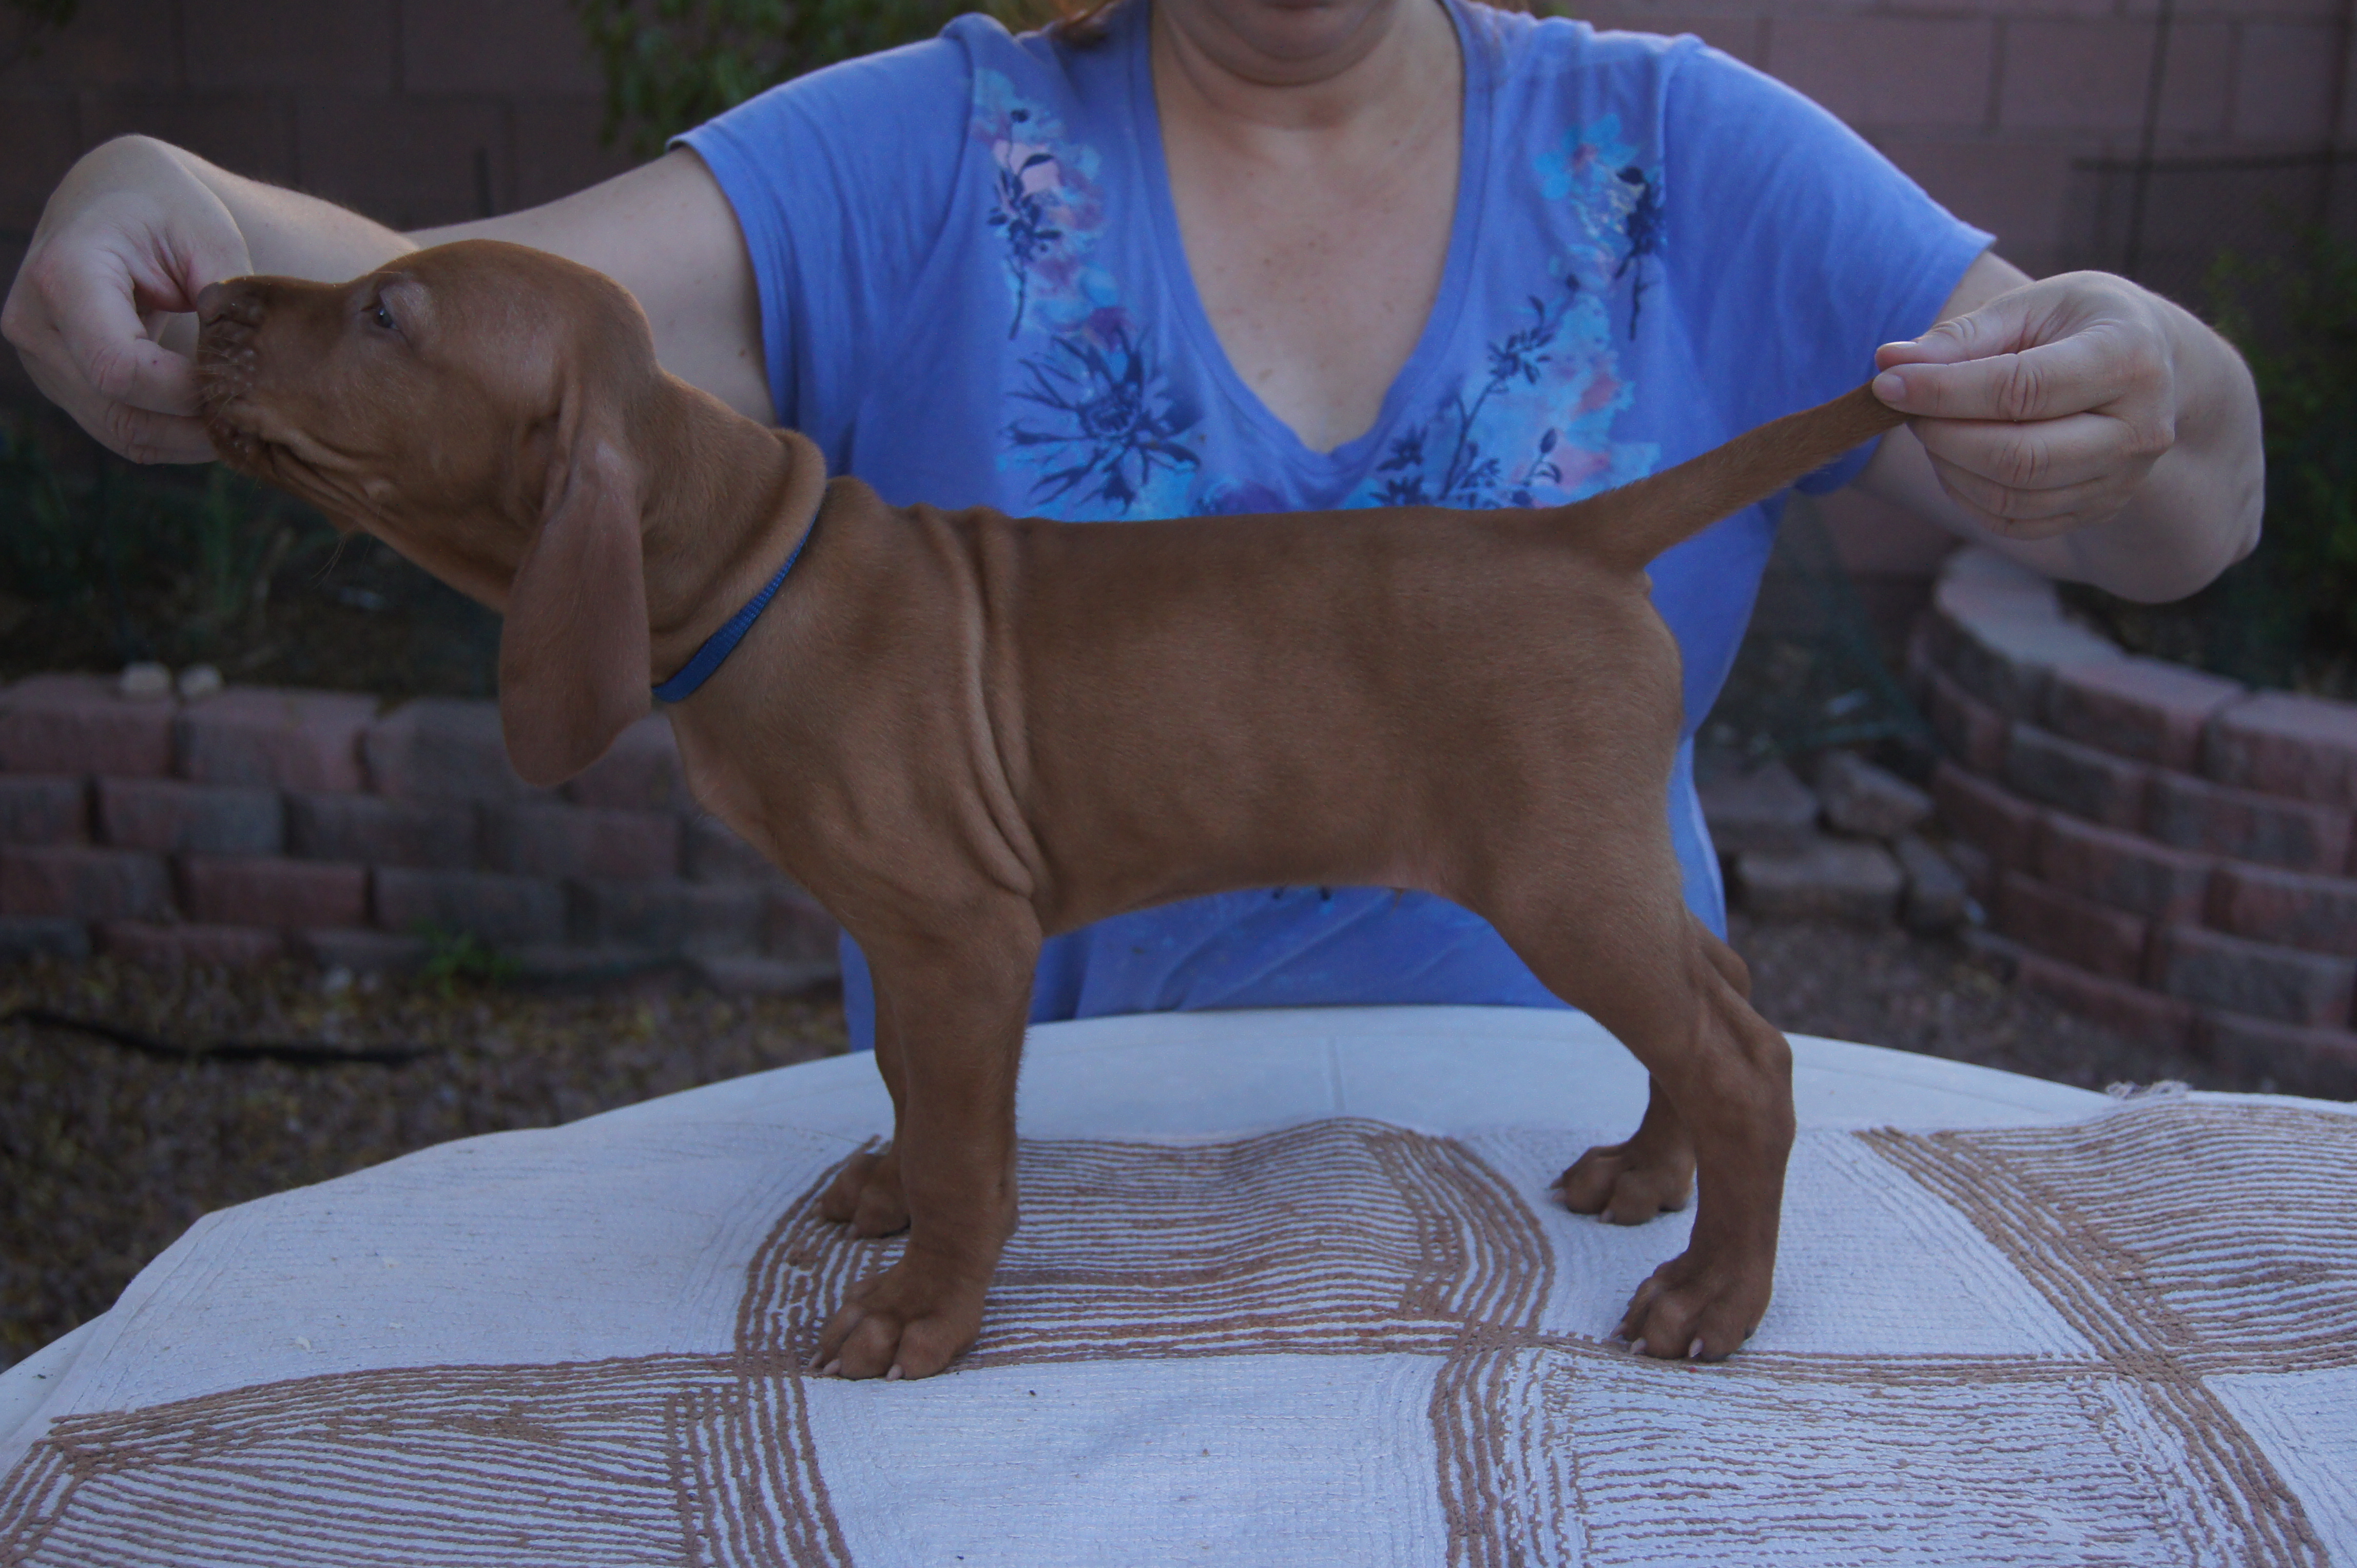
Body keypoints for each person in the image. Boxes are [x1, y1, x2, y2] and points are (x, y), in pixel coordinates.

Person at [4, 0, 2261, 1052]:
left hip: (1567, 1159)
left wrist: (2161, 387)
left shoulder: (1693, 150)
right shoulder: (922, 154)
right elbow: (438, 310)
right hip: (1073, 1194)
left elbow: (2179, 520)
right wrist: (172, 208)